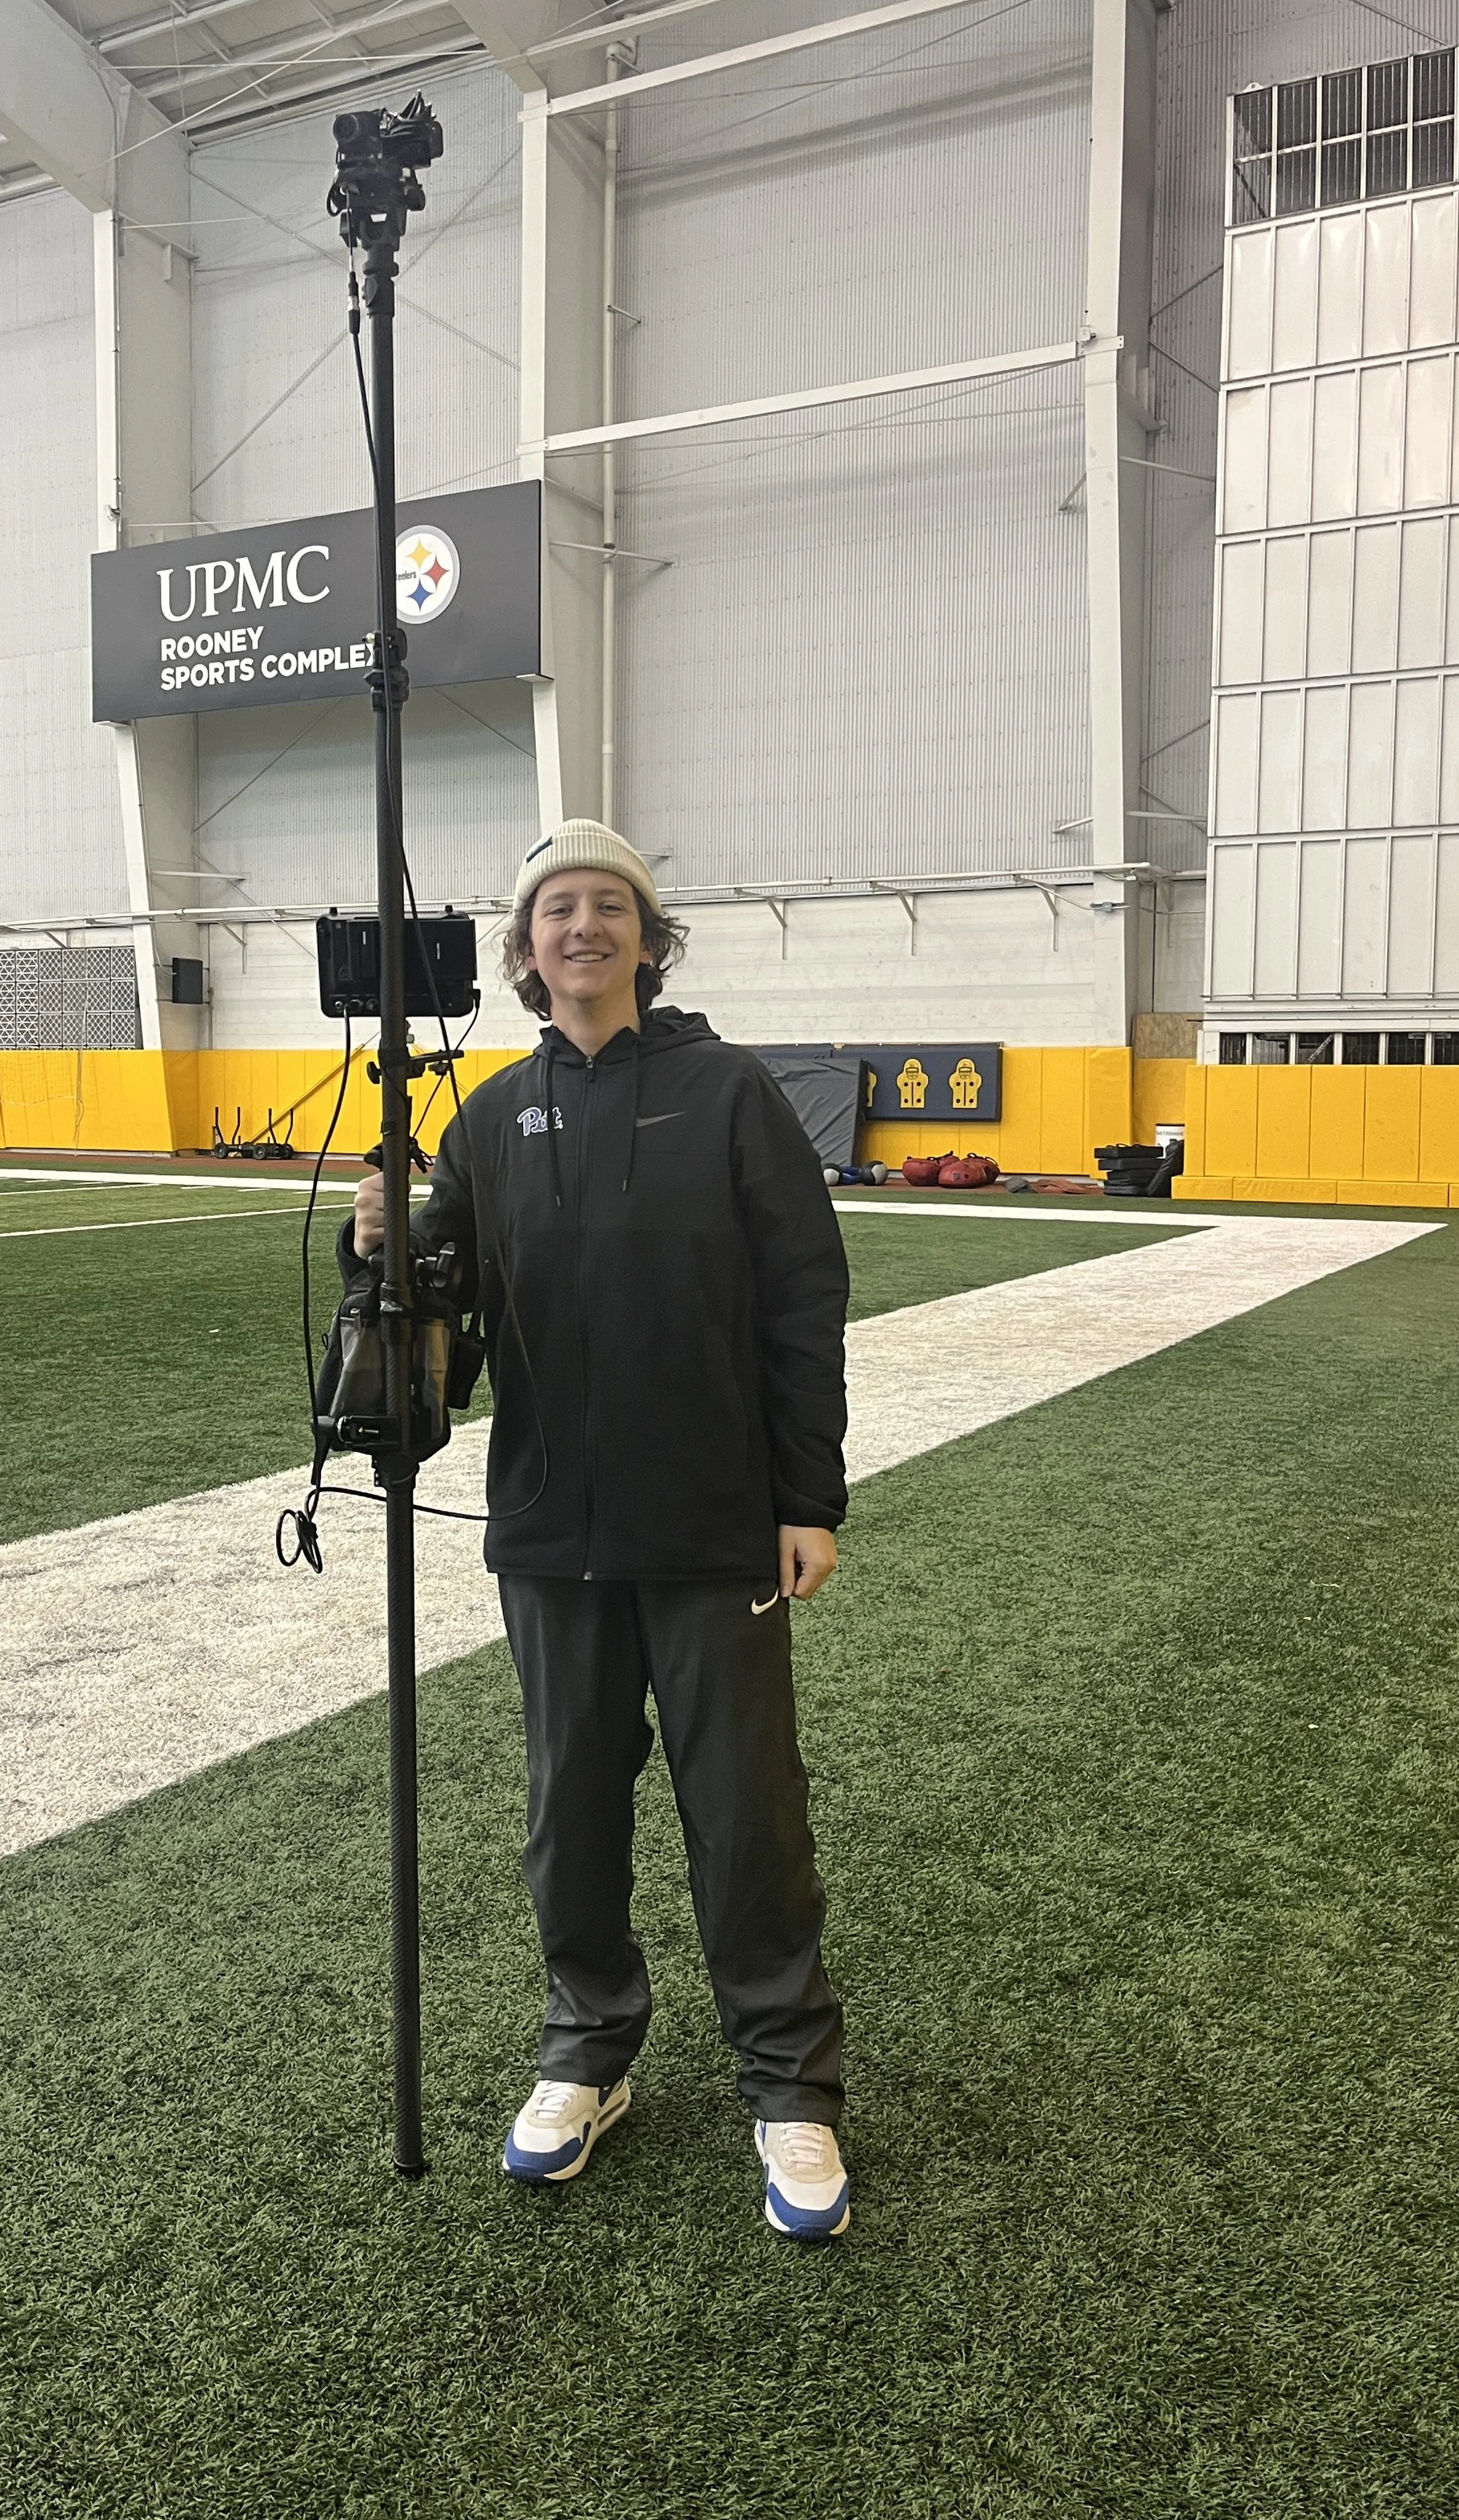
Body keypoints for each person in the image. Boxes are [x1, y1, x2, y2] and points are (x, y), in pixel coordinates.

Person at [347, 819, 854, 2240]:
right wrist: (381, 1246)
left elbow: (803, 1298)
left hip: (716, 1524)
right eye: (557, 909)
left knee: (745, 1811)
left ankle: (790, 2078)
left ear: (648, 936)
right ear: (523, 950)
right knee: (569, 1804)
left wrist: (805, 1494)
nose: (584, 926)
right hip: (551, 1528)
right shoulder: (492, 1119)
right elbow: (440, 1318)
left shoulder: (730, 1093)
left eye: (609, 906)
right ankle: (588, 2043)